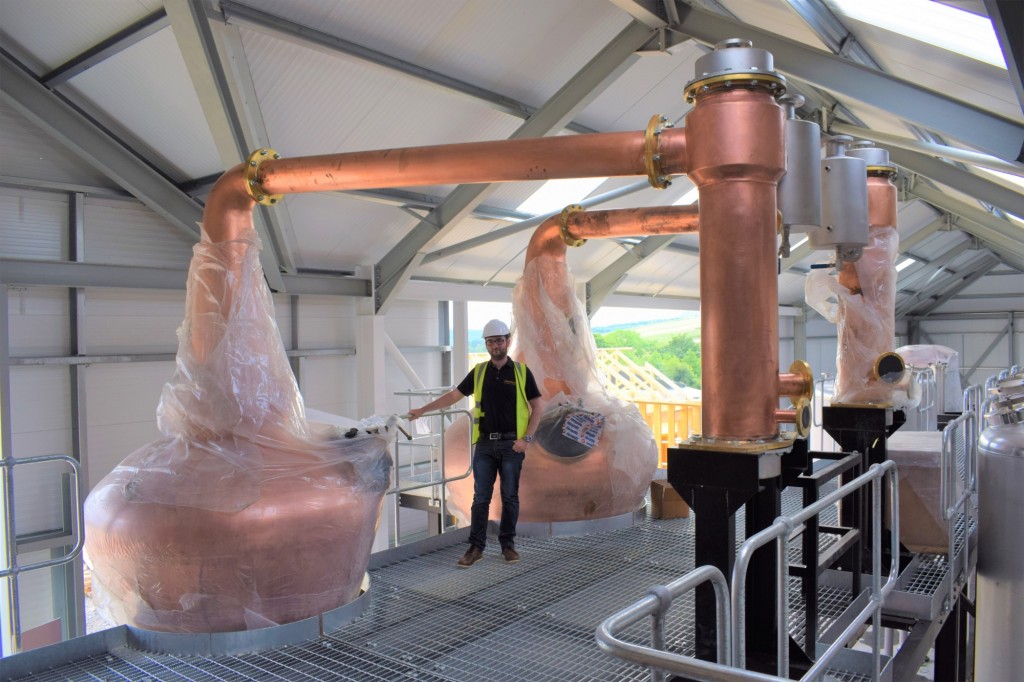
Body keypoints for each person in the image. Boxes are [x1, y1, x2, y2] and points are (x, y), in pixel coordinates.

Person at [408, 319, 542, 567]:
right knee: (481, 498)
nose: (495, 345)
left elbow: (537, 406)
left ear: (508, 341)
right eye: (490, 341)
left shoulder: (522, 373)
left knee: (510, 496)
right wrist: (423, 410)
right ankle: (476, 547)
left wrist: (527, 439)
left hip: (512, 446)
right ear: (487, 344)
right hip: (485, 446)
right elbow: (453, 396)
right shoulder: (479, 372)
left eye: (499, 340)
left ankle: (508, 545)